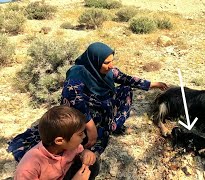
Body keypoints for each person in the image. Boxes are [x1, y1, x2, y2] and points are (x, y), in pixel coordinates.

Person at [8, 42, 168, 161]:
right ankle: (100, 129)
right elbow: (74, 103)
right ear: (94, 61)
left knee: (126, 89)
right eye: (106, 62)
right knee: (90, 134)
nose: (110, 66)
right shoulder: (78, 75)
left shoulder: (109, 71)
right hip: (83, 115)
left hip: (103, 107)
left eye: (111, 61)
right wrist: (90, 127)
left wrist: (152, 84)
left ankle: (113, 125)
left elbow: (126, 78)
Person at [14, 105, 99, 180]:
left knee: (92, 163)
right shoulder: (29, 167)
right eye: (80, 134)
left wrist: (85, 153)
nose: (84, 136)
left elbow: (80, 152)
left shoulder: (71, 147)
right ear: (59, 141)